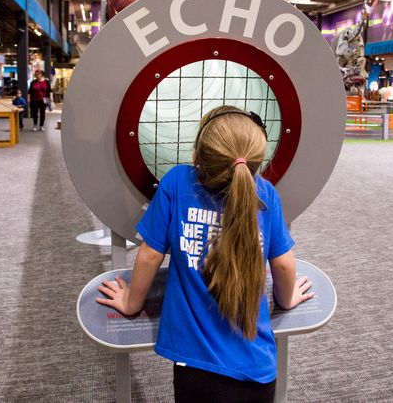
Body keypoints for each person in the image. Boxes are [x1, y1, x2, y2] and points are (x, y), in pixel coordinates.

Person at [96, 106, 314, 403]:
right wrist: (287, 299)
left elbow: (149, 255)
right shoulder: (265, 193)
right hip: (259, 370)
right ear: (254, 162)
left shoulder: (176, 181)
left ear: (197, 155)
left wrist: (132, 303)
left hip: (195, 370)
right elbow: (285, 266)